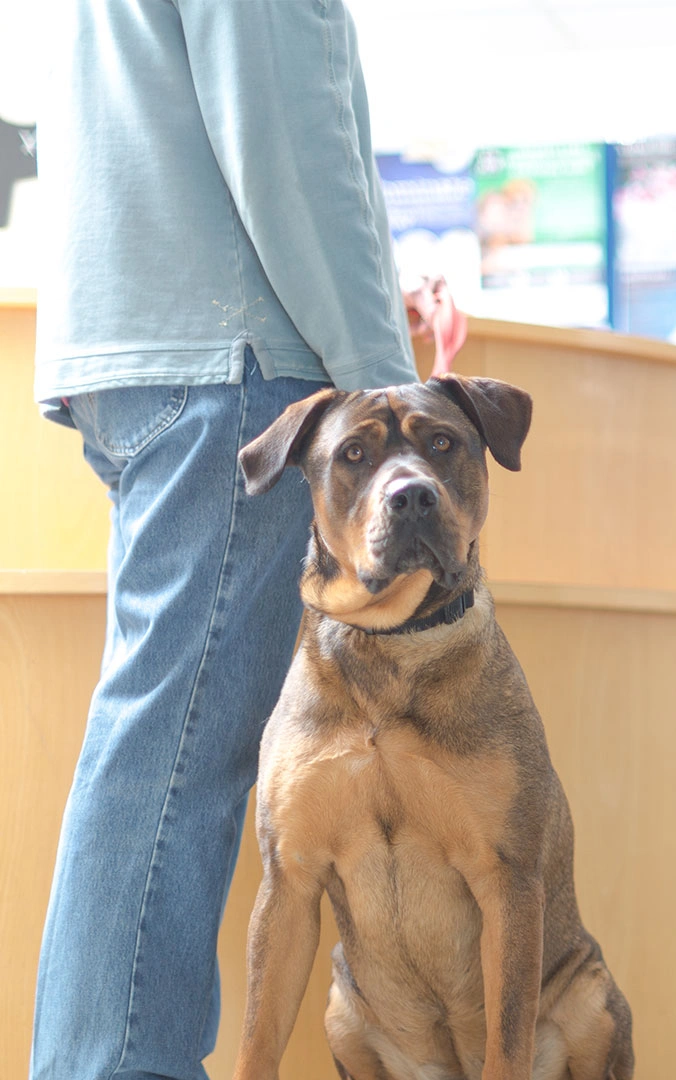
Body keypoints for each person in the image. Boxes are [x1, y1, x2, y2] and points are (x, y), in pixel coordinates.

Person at [30, 2, 417, 1076]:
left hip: (158, 361)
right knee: (172, 758)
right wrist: (393, 394)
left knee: (155, 743)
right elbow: (288, 146)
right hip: (231, 365)